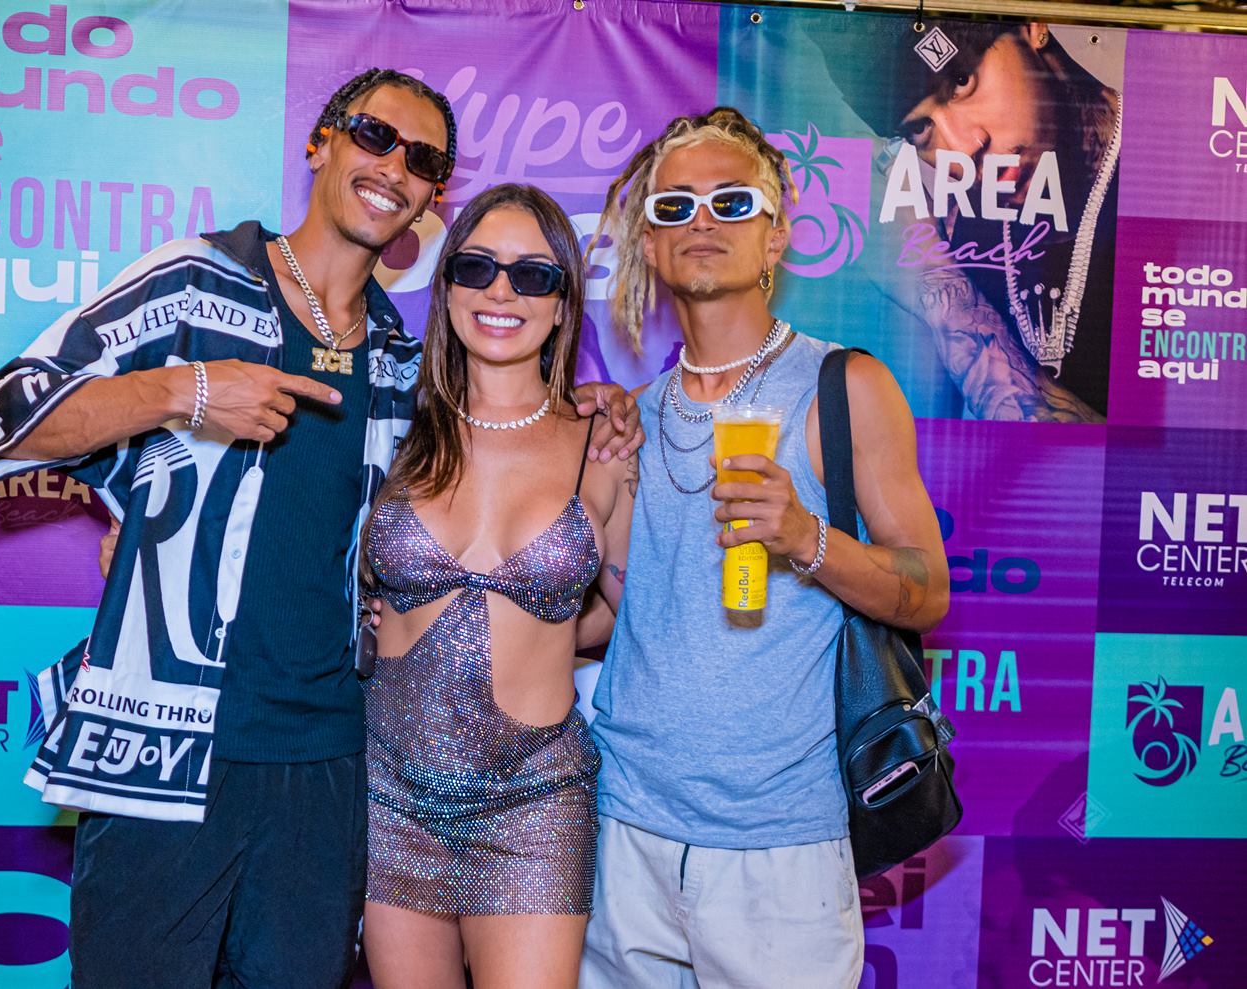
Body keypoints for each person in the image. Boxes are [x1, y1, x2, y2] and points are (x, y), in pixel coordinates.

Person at [0, 68, 639, 989]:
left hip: (330, 773)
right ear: (321, 141)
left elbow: (485, 473)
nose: (394, 166)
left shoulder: (404, 362)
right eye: (374, 134)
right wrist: (187, 389)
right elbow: (3, 423)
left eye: (423, 159)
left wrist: (596, 405)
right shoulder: (197, 281)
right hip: (167, 751)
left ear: (432, 198)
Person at [579, 107, 950, 989]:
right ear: (649, 245)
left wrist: (808, 537)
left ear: (776, 236)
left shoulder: (844, 387)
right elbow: (636, 611)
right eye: (674, 207)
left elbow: (927, 588)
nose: (702, 221)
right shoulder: (637, 414)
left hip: (780, 846)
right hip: (624, 829)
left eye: (732, 201)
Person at [360, 183, 637, 989]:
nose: (501, 292)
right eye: (476, 267)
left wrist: (542, 629)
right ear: (445, 286)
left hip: (535, 802)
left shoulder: (604, 445)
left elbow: (635, 617)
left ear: (564, 303)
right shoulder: (391, 425)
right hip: (388, 794)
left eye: (533, 275)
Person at [816, 20, 1118, 421]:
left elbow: (1168, 457)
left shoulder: (1170, 186)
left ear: (1032, 27)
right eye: (920, 128)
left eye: (960, 82)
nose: (964, 147)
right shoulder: (966, 230)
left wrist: (937, 276)